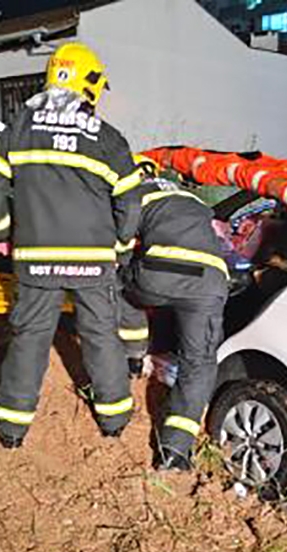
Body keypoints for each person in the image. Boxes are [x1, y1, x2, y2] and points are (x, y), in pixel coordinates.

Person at [0, 42, 143, 448]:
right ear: (89, 84)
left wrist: (0, 232)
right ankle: (115, 419)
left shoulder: (20, 128)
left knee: (30, 337)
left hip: (36, 258)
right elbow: (131, 200)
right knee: (102, 335)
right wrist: (121, 246)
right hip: (93, 259)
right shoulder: (107, 138)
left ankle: (12, 428)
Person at [118, 156, 229, 470]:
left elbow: (119, 241)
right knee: (200, 362)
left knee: (120, 287)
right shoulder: (193, 200)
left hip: (159, 273)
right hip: (210, 283)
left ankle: (134, 356)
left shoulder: (133, 193)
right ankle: (176, 453)